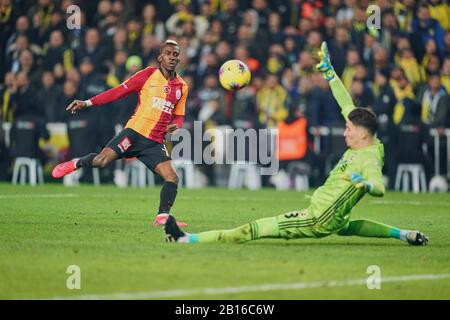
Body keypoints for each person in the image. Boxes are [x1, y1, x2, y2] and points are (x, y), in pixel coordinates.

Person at [165, 42, 429, 246]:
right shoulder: (372, 141)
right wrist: (330, 73)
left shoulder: (368, 158)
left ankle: (186, 239)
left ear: (362, 134)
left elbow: (380, 187)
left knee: (252, 229)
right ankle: (405, 234)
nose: (344, 133)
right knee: (349, 224)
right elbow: (345, 102)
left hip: (318, 218)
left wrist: (367, 183)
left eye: (348, 129)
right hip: (330, 213)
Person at [52, 40, 189, 227]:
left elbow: (179, 117)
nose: (172, 57)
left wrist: (175, 125)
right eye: (168, 54)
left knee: (172, 177)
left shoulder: (182, 86)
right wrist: (87, 102)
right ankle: (76, 163)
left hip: (154, 142)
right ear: (160, 57)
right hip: (133, 134)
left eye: (175, 54)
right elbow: (118, 92)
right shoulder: (147, 75)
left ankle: (162, 217)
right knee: (101, 161)